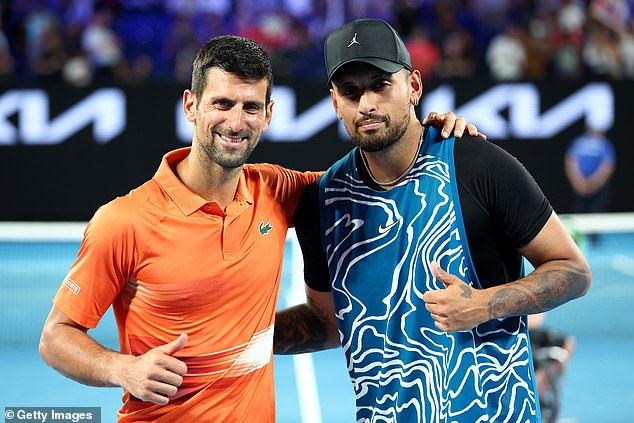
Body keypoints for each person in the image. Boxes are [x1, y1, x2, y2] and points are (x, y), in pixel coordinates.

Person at [38, 35, 480, 422]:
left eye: (251, 107)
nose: (236, 122)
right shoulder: (123, 222)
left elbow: (374, 174)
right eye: (222, 104)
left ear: (268, 115)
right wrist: (123, 369)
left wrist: (429, 137)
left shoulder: (277, 189)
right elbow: (56, 336)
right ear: (192, 106)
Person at [274, 18, 591, 422]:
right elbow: (329, 324)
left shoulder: (477, 164)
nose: (366, 103)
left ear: (414, 87)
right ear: (335, 103)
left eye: (380, 84)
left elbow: (574, 270)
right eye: (350, 92)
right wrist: (231, 329)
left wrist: (484, 304)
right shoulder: (324, 201)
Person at [564, 127, 616, 215]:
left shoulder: (604, 144)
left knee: (596, 214)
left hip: (598, 188)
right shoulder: (579, 142)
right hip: (579, 187)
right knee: (579, 214)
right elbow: (571, 162)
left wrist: (593, 183)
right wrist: (579, 183)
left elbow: (607, 166)